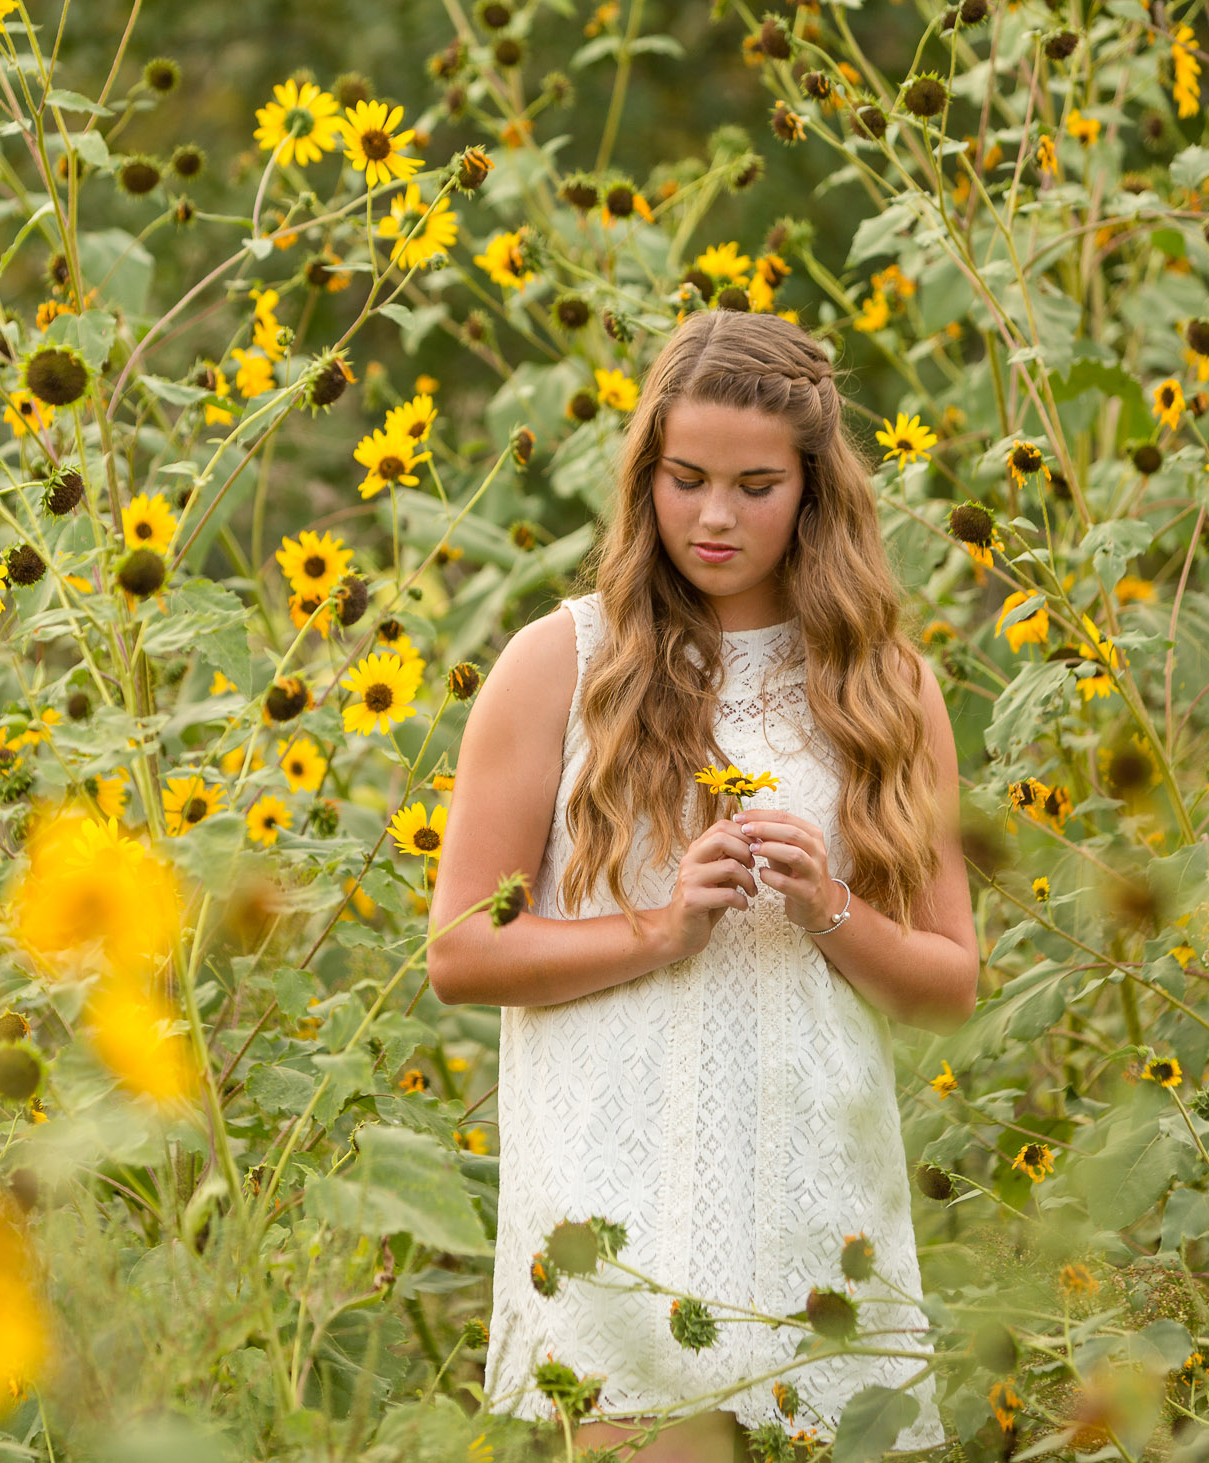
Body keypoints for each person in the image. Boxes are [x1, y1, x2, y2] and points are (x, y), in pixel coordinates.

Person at [427, 309, 979, 1461]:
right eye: (685, 478)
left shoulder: (884, 687)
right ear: (645, 476)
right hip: (621, 1218)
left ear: (814, 491)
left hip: (820, 1211)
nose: (715, 516)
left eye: (755, 484)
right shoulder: (562, 662)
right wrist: (662, 925)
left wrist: (829, 904)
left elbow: (948, 986)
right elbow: (459, 954)